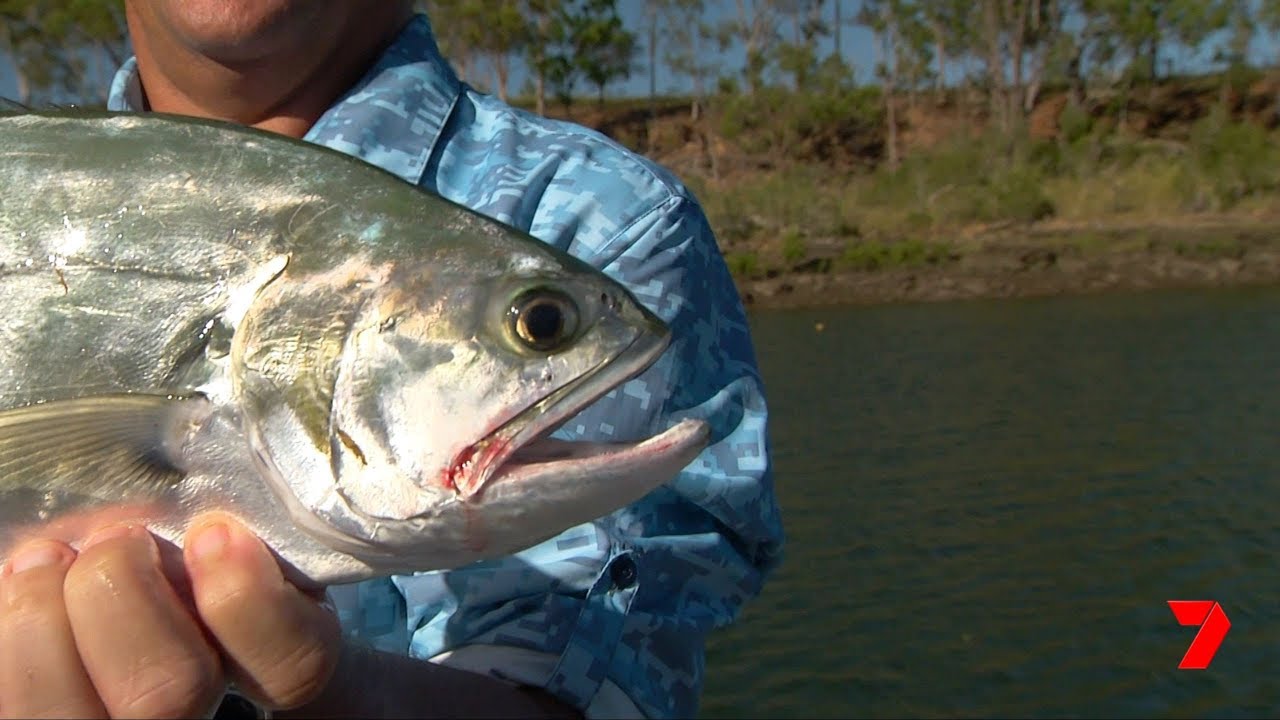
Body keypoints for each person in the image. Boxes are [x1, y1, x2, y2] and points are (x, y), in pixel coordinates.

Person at [0, 2, 784, 718]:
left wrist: (331, 691)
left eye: (538, 326)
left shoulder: (603, 225)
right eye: (539, 323)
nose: (546, 327)